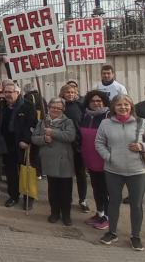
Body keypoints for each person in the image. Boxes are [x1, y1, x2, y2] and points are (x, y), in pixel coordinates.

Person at [95, 94, 145, 251]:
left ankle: (135, 236)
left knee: (136, 205)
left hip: (137, 171)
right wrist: (108, 157)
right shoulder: (105, 123)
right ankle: (112, 232)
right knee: (114, 202)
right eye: (119, 105)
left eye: (126, 104)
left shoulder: (141, 123)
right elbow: (99, 143)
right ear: (113, 107)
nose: (123, 107)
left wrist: (142, 147)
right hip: (113, 170)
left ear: (131, 106)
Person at [32, 98, 76, 226]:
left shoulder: (68, 122)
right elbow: (34, 138)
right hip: (49, 160)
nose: (56, 110)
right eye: (53, 107)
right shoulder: (42, 122)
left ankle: (66, 215)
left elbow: (70, 136)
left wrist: (52, 132)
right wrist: (44, 139)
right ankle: (54, 212)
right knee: (53, 190)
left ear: (63, 109)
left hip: (64, 162)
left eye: (59, 108)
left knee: (66, 191)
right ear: (49, 108)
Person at [0, 83, 36, 208]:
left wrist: (27, 140)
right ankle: (13, 196)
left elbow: (32, 125)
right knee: (10, 172)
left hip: (23, 144)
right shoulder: (2, 105)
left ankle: (28, 198)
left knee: (26, 171)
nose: (8, 94)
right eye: (6, 92)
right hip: (7, 144)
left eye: (11, 91)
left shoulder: (27, 106)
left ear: (17, 93)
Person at [79, 90, 111, 231]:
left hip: (105, 160)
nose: (96, 103)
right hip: (90, 160)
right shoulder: (86, 116)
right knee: (97, 188)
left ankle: (109, 218)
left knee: (107, 190)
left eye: (99, 101)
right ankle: (100, 213)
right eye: (93, 101)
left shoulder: (109, 116)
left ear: (104, 102)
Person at [59, 83, 89, 213]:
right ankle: (67, 199)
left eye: (73, 92)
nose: (70, 94)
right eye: (68, 92)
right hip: (64, 146)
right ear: (63, 94)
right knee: (66, 174)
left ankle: (82, 199)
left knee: (81, 174)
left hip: (79, 145)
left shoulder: (81, 106)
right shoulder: (59, 107)